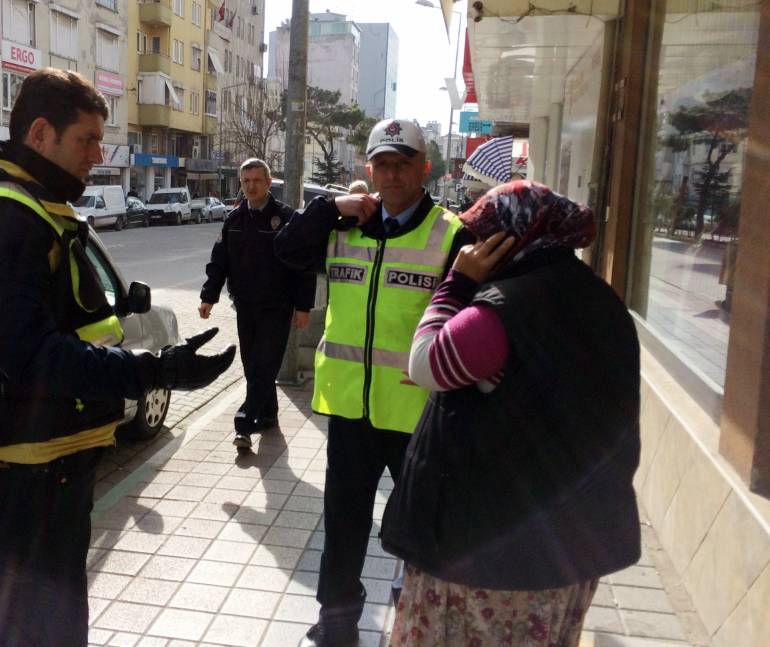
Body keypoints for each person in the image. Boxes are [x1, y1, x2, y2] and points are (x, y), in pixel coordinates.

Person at [0, 68, 235, 647]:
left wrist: (148, 365)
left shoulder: (29, 204)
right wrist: (155, 370)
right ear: (41, 133)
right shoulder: (2, 216)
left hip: (43, 455)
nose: (98, 154)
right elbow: (31, 356)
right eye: (87, 139)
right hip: (24, 463)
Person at [380, 180, 642, 646]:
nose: (471, 247)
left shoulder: (503, 309)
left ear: (509, 239)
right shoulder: (602, 301)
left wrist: (457, 284)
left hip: (494, 554)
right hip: (570, 544)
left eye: (482, 236)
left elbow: (424, 365)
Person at [275, 118, 475, 647]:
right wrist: (327, 207)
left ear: (423, 168)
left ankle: (419, 615)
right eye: (382, 164)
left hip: (418, 413)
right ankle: (338, 620)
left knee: (421, 525)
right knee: (343, 521)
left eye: (402, 163)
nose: (392, 175)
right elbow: (284, 252)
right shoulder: (344, 227)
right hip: (349, 409)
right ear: (369, 170)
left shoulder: (452, 234)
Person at [199, 158, 316, 449]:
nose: (250, 186)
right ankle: (269, 415)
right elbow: (219, 262)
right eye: (246, 181)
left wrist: (303, 307)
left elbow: (304, 266)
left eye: (256, 181)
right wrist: (208, 296)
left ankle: (244, 424)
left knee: (263, 365)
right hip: (245, 305)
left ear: (268, 183)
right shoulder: (234, 220)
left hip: (277, 306)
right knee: (253, 365)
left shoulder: (286, 218)